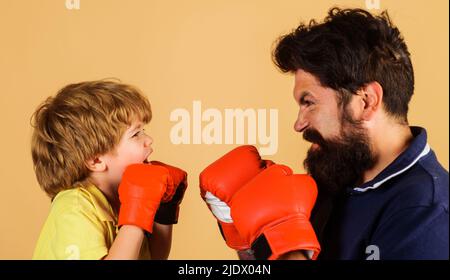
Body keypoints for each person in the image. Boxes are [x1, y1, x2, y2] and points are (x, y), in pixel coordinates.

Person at [271, 7, 448, 259]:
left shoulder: (427, 214)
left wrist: (287, 251)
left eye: (308, 102)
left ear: (365, 101)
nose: (299, 124)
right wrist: (249, 238)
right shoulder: (337, 176)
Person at [31, 80, 188, 260]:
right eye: (136, 134)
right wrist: (136, 213)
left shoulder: (120, 201)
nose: (149, 139)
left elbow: (153, 258)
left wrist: (164, 211)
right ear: (96, 160)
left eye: (143, 130)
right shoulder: (74, 207)